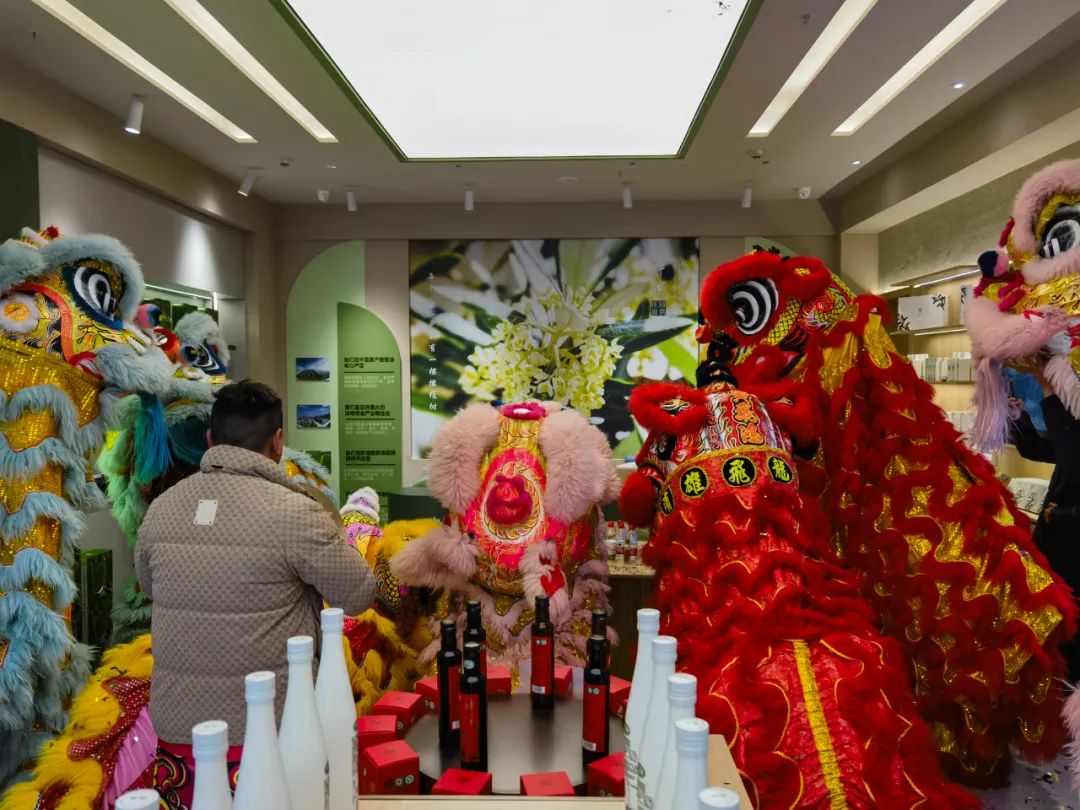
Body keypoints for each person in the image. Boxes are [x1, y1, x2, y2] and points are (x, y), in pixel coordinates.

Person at [136, 380, 375, 807]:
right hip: (267, 736)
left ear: (210, 438)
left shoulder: (162, 509)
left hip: (179, 739)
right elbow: (358, 594)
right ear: (278, 441)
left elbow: (150, 586)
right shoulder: (295, 513)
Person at [1009, 361, 1080, 677]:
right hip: (1057, 555)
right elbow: (1038, 447)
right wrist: (1017, 417)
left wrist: (1061, 515)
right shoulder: (1072, 436)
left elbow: (1073, 462)